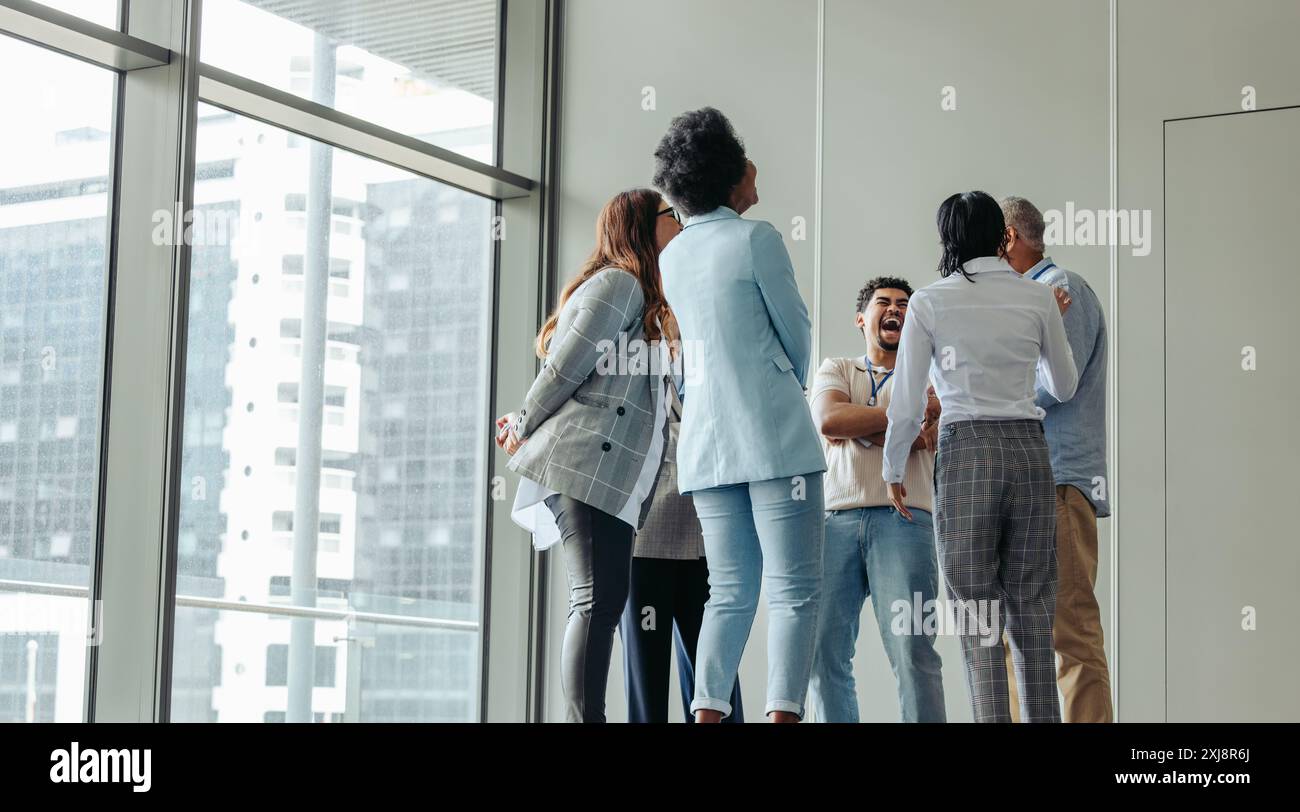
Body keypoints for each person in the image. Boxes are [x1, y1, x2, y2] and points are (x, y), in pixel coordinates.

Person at [653, 107, 826, 723]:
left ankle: (706, 711)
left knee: (728, 593)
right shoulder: (759, 239)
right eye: (747, 160)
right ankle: (783, 716)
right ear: (730, 173)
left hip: (706, 445)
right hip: (775, 438)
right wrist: (787, 385)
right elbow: (798, 336)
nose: (757, 170)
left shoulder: (672, 257)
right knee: (795, 591)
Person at [882, 190, 1077, 723]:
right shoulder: (1036, 297)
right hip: (1029, 452)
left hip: (966, 449)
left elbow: (906, 396)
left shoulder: (930, 300)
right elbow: (1062, 385)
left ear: (948, 239)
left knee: (977, 616)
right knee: (1033, 613)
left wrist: (893, 467)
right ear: (1000, 235)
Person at [495, 188, 679, 723]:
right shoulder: (619, 284)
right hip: (584, 466)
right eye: (670, 215)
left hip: (608, 477)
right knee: (597, 601)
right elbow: (566, 365)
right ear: (644, 225)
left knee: (602, 601)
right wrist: (525, 422)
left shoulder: (641, 296)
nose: (680, 223)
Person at [807, 276, 946, 723]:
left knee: (913, 652)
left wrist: (864, 424)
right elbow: (830, 419)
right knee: (822, 652)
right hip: (836, 523)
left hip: (907, 521)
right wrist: (900, 418)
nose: (895, 310)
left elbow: (928, 437)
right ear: (861, 319)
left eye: (904, 305)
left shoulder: (933, 373)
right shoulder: (836, 368)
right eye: (884, 303)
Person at [1001, 195, 1113, 722]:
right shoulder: (1022, 300)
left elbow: (1049, 386)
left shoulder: (1060, 290)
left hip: (1057, 483)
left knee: (1069, 630)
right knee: (1013, 640)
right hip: (1019, 487)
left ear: (1007, 239)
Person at [619, 384, 744, 723]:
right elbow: (628, 438)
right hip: (646, 544)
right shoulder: (636, 360)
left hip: (710, 545)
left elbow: (735, 438)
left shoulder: (711, 359)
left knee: (717, 687)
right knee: (647, 690)